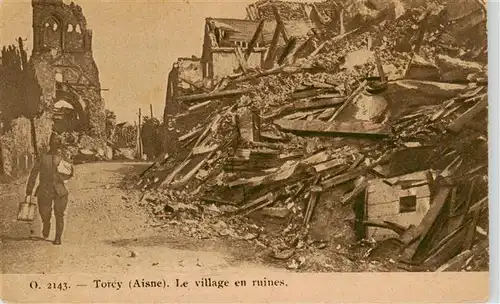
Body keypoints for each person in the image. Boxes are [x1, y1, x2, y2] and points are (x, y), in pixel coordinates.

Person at [25, 134, 74, 245]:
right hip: (44, 190)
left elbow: (70, 173)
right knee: (44, 213)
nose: (55, 147)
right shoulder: (42, 158)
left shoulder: (63, 158)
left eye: (57, 145)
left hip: (60, 191)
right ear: (49, 145)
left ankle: (58, 237)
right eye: (53, 144)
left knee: (59, 214)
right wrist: (29, 190)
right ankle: (46, 223)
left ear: (59, 146)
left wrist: (67, 172)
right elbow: (34, 173)